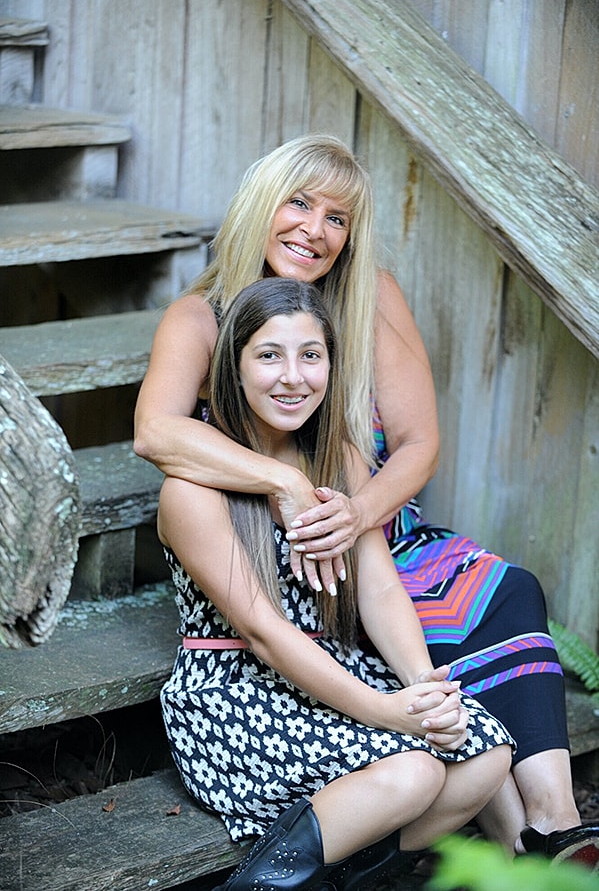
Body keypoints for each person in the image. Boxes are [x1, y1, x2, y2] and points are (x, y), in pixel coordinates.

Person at [134, 133, 599, 867]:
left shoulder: (366, 302)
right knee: (423, 726)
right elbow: (156, 431)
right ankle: (510, 842)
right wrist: (286, 485)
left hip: (370, 522)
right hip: (275, 551)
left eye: (337, 218)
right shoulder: (202, 322)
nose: (313, 231)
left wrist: (356, 510)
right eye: (297, 203)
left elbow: (414, 445)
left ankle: (547, 826)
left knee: (503, 595)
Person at [157, 276, 513, 889]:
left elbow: (378, 590)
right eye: (269, 355)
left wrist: (422, 687)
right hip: (237, 696)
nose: (293, 377)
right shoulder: (192, 488)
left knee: (486, 757)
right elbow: (262, 633)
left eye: (311, 355)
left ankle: (333, 878)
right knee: (416, 773)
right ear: (231, 369)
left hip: (334, 669)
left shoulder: (340, 459)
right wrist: (386, 712)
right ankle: (260, 885)